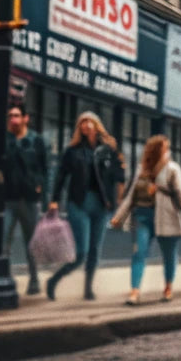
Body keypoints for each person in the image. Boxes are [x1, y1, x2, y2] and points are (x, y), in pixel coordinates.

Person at [110, 135, 181, 306]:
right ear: (156, 150)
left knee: (169, 255)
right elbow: (131, 196)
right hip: (143, 216)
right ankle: (135, 292)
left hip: (167, 216)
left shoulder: (173, 169)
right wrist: (119, 216)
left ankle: (168, 287)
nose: (168, 151)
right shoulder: (141, 169)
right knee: (139, 252)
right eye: (165, 148)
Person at [46, 112, 124, 300]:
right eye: (82, 122)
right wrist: (54, 200)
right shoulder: (72, 151)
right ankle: (54, 280)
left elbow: (118, 177)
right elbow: (61, 176)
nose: (86, 125)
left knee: (95, 250)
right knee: (82, 252)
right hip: (79, 203)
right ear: (79, 127)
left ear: (97, 125)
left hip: (101, 204)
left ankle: (88, 288)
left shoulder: (108, 150)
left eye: (90, 121)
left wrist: (119, 201)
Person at [3, 104, 50, 295]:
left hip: (29, 199)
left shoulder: (36, 140)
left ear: (25, 118)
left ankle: (34, 279)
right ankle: (5, 278)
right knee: (3, 240)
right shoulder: (5, 140)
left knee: (31, 242)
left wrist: (44, 196)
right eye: (10, 116)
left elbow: (45, 170)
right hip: (8, 199)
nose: (13, 119)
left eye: (16, 115)